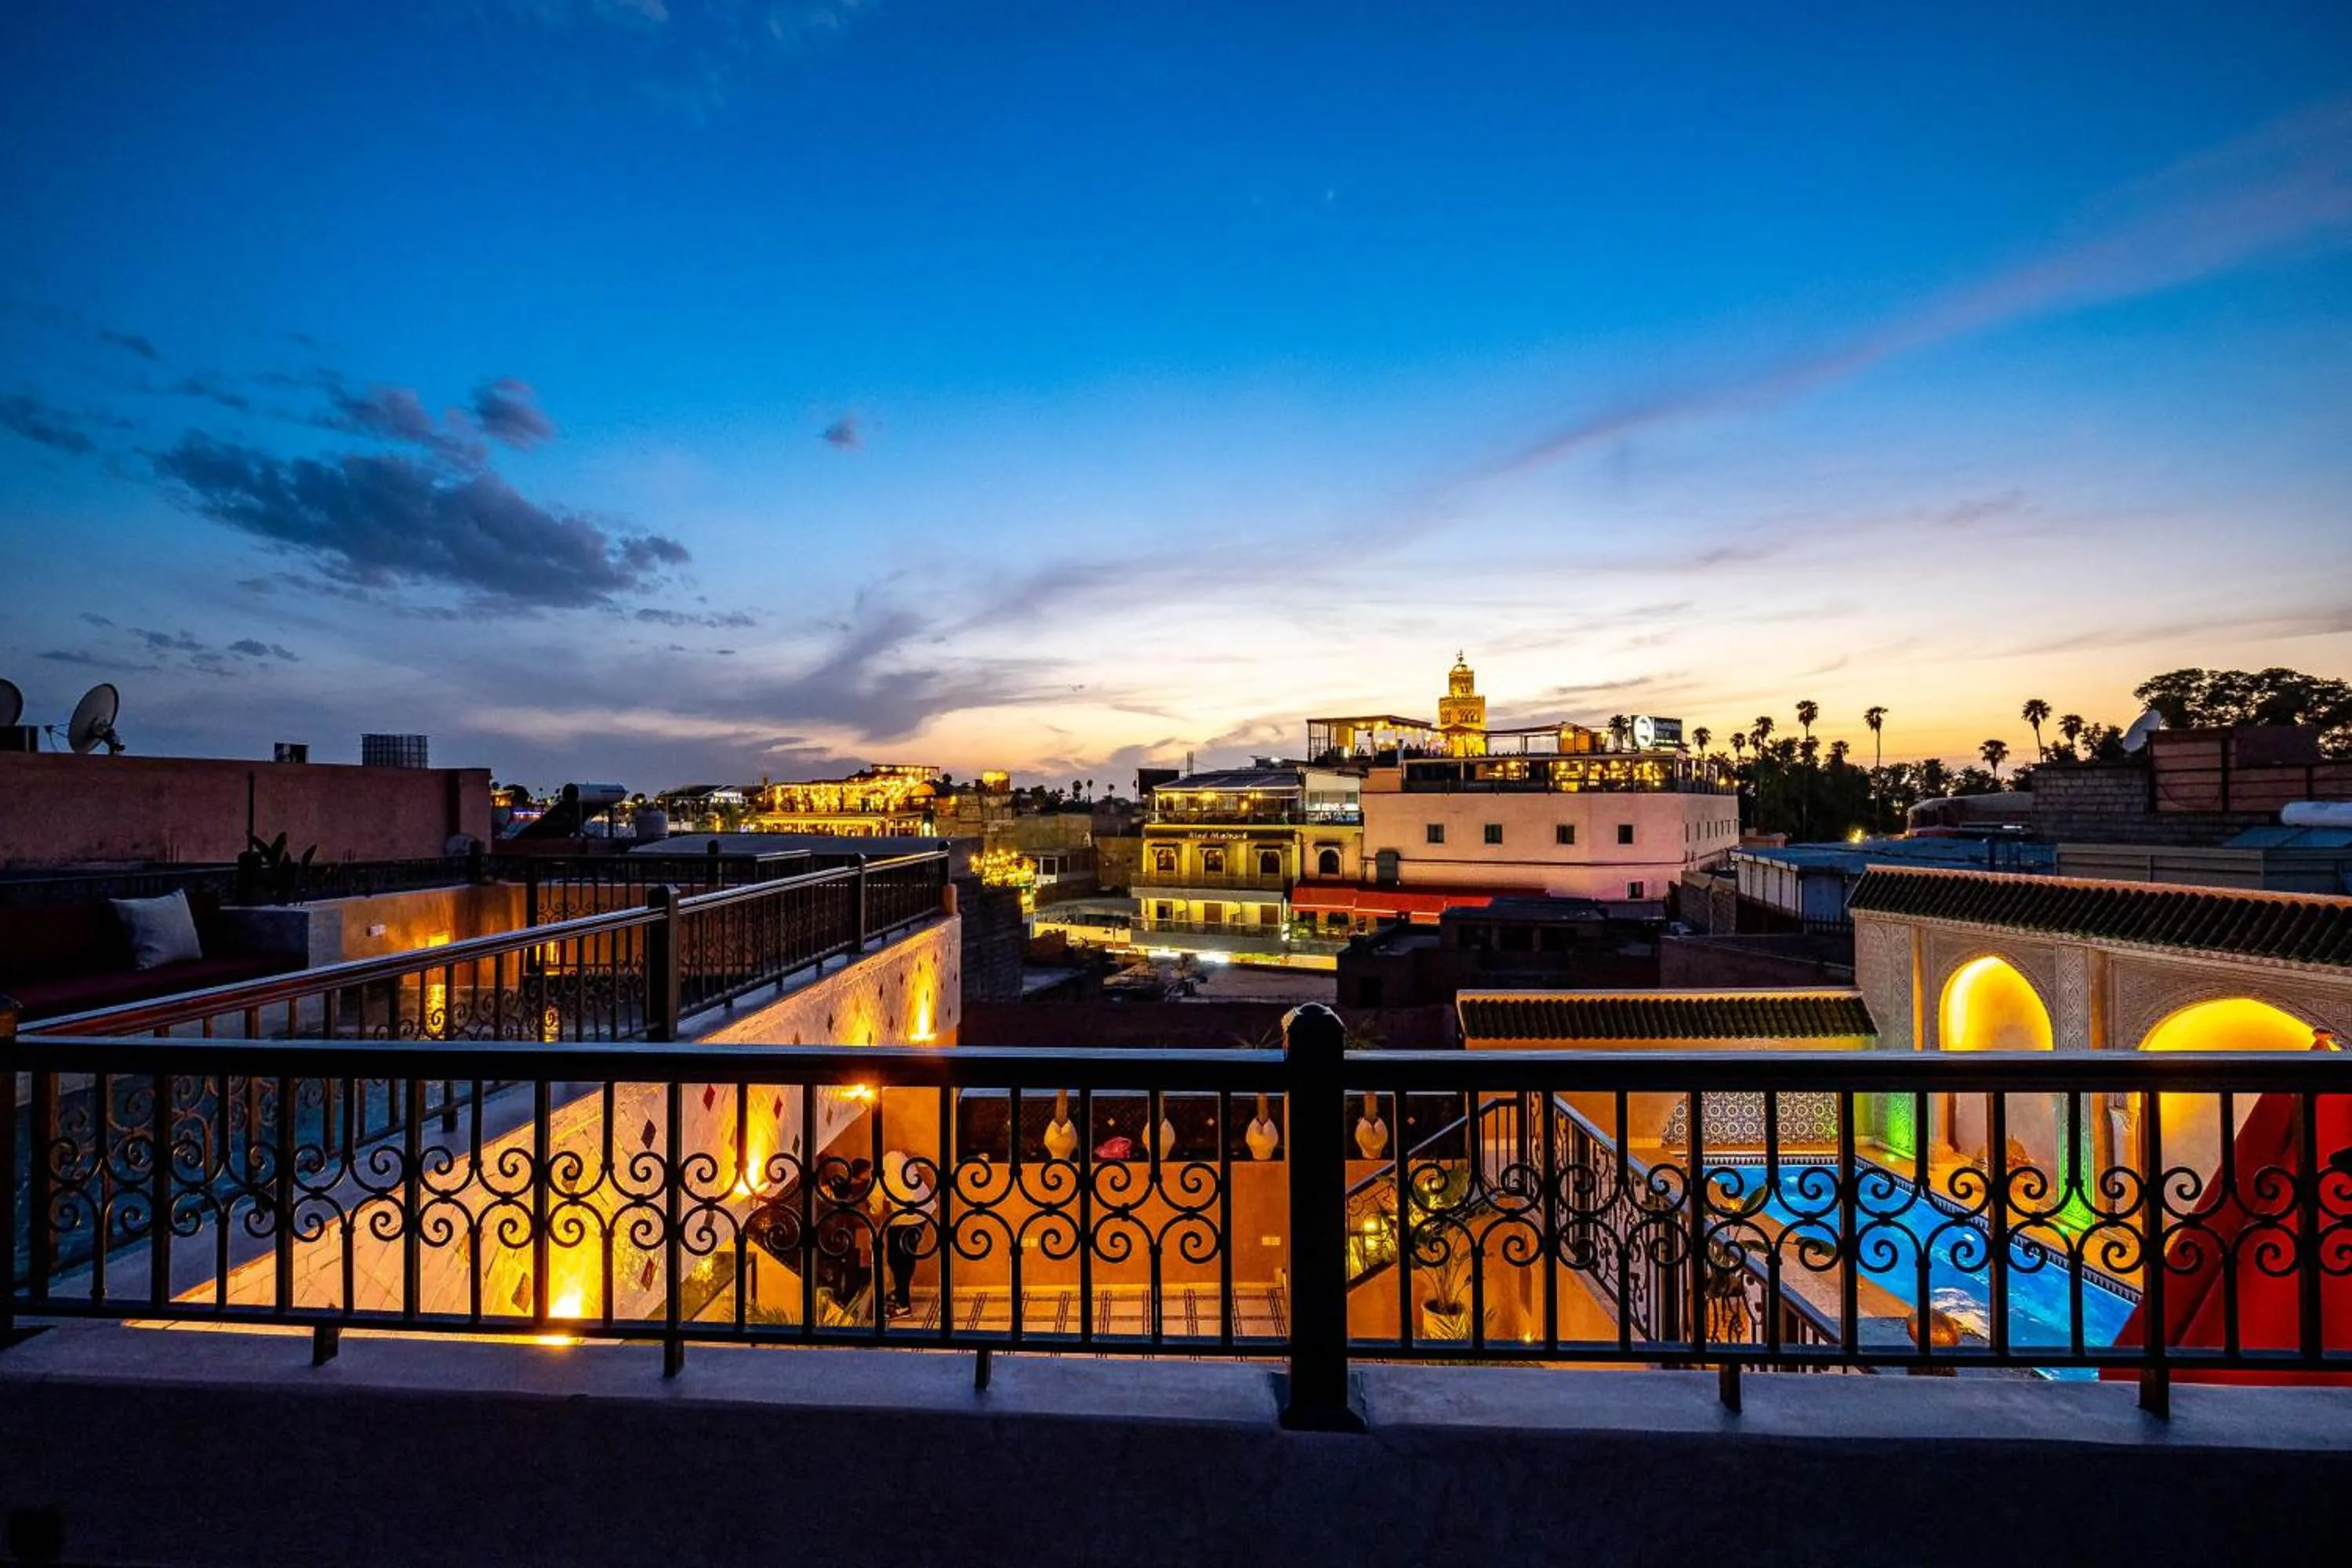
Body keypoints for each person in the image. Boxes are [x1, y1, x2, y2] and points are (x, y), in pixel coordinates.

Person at [873, 1149, 936, 1322]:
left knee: (897, 1259)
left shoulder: (880, 1173)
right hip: (924, 1210)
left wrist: (873, 1210)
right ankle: (901, 1292)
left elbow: (875, 1201)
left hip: (906, 1217)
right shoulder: (897, 1156)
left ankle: (903, 1304)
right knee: (907, 1255)